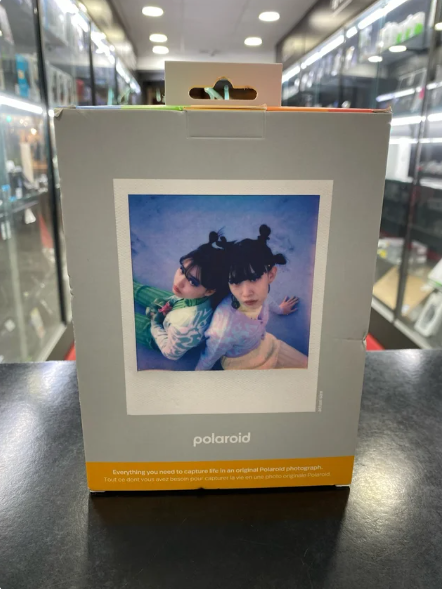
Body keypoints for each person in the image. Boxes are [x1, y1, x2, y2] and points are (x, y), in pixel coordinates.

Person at [195, 225, 308, 370]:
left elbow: (267, 299)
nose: (246, 293)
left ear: (271, 275)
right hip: (242, 365)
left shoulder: (261, 296)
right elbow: (207, 359)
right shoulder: (223, 331)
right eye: (235, 282)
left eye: (254, 278)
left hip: (268, 344)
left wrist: (280, 310)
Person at [133, 231, 229, 361]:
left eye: (192, 282)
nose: (178, 282)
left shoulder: (184, 326)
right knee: (140, 290)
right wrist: (169, 303)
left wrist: (155, 323)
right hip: (180, 306)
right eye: (182, 270)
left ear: (210, 291)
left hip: (166, 337)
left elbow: (171, 353)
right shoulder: (203, 293)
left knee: (126, 319)